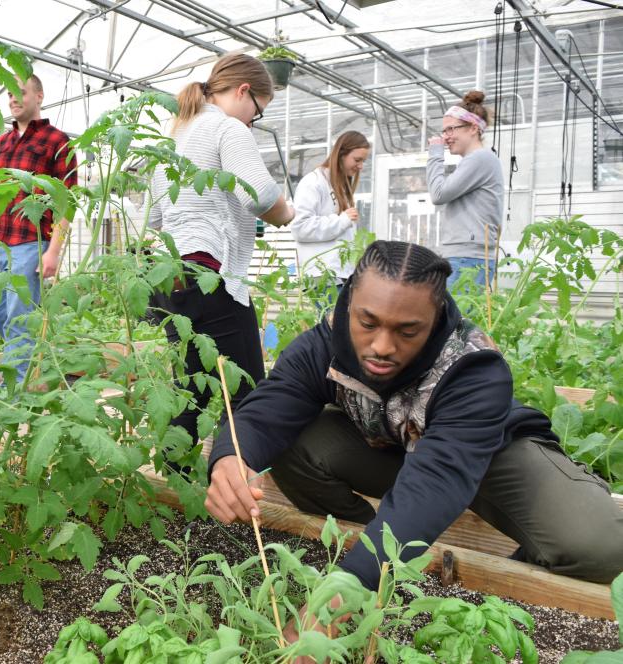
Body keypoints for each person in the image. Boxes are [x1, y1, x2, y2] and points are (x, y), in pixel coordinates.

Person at [205, 240, 623, 635]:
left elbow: (437, 479)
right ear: (351, 301)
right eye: (368, 323)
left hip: (486, 459)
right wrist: (230, 458)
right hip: (390, 452)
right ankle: (373, 551)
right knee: (290, 440)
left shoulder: (472, 367)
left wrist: (335, 601)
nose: (382, 346)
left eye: (407, 331)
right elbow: (271, 406)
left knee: (599, 546)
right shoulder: (325, 342)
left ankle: (387, 561)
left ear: (436, 316)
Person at [146, 52, 296, 468]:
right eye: (258, 111)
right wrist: (287, 214)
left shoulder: (173, 132)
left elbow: (155, 216)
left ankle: (173, 474)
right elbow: (261, 195)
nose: (253, 120)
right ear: (244, 91)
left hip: (169, 278)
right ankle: (246, 482)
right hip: (210, 276)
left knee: (194, 388)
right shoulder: (226, 127)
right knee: (249, 390)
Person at [0, 75, 77, 382]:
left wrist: (54, 252)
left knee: (19, 319)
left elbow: (65, 202)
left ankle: (15, 391)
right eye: (9, 94)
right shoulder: (0, 144)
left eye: (21, 93)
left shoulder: (57, 141)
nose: (13, 99)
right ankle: (27, 366)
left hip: (32, 243)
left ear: (39, 96)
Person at [426, 90, 503, 289]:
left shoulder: (480, 159)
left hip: (468, 258)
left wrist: (435, 153)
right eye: (444, 131)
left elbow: (438, 194)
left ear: (473, 128)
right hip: (465, 256)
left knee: (455, 319)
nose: (446, 137)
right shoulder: (474, 161)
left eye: (451, 129)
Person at [289, 131, 370, 292]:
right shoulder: (314, 182)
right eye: (357, 160)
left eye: (363, 161)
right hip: (322, 275)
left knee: (337, 318)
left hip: (339, 275)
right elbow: (300, 228)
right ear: (341, 154)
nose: (360, 166)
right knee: (331, 318)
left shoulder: (340, 185)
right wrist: (342, 220)